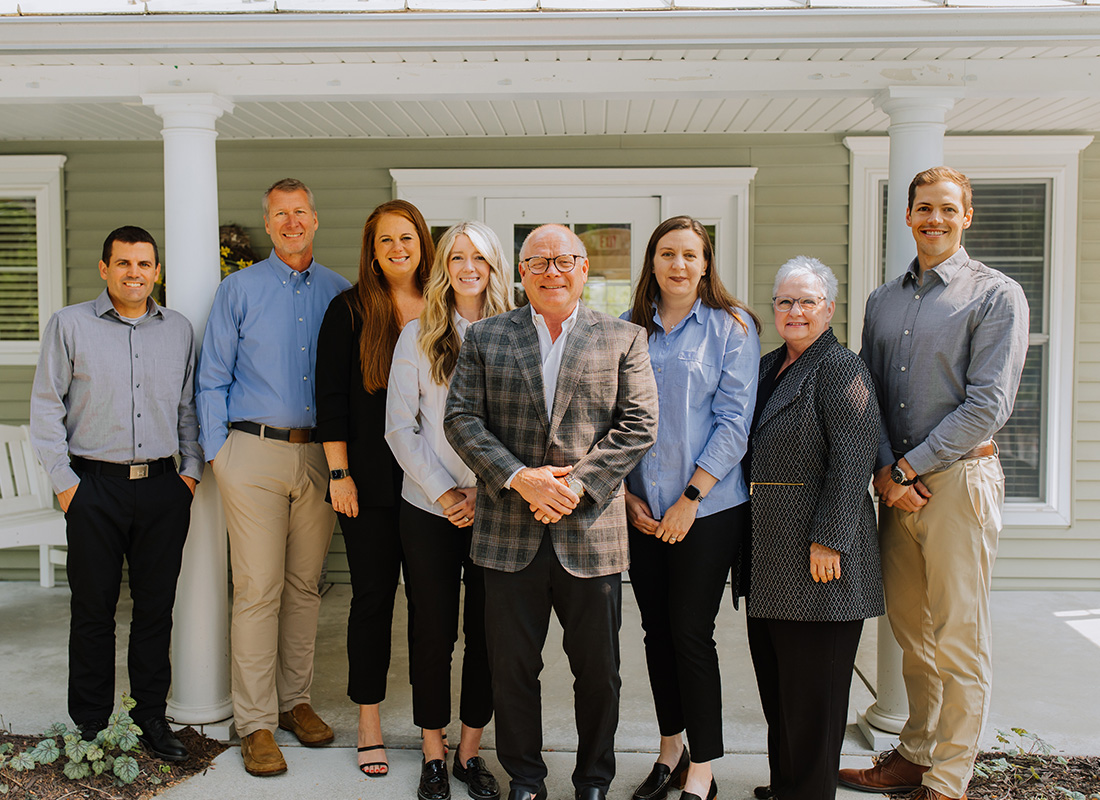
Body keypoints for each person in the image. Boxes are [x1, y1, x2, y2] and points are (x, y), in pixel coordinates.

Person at [444, 224, 658, 800]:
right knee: (512, 670)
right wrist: (521, 479)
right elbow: (461, 418)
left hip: (591, 535)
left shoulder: (624, 337)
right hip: (507, 534)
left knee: (599, 674)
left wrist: (574, 487)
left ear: (584, 268)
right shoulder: (486, 337)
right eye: (538, 262)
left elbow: (639, 424)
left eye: (563, 260)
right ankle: (527, 779)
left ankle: (593, 780)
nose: (551, 272)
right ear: (521, 272)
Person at [840, 167, 1029, 800]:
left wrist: (908, 468)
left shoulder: (996, 296)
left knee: (959, 639)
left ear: (966, 216)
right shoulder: (882, 300)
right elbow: (868, 393)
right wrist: (889, 469)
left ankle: (948, 781)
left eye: (947, 209)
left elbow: (988, 404)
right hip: (897, 488)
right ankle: (915, 756)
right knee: (911, 635)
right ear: (907, 216)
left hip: (958, 482)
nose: (935, 220)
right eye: (923, 209)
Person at [197, 178, 351, 777]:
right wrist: (219, 455)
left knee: (304, 587)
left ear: (315, 220)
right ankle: (256, 722)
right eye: (279, 214)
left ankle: (295, 703)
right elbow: (211, 377)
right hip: (252, 455)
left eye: (300, 213)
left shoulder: (342, 293)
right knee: (258, 588)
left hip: (321, 457)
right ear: (268, 223)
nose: (291, 222)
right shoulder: (239, 290)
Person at [29, 225, 200, 762]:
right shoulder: (69, 325)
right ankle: (90, 724)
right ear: (105, 268)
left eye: (144, 264)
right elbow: (45, 408)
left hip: (161, 489)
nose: (134, 273)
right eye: (123, 263)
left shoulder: (178, 330)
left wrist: (189, 474)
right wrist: (66, 485)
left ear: (156, 271)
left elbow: (188, 407)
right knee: (93, 610)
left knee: (155, 609)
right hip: (92, 490)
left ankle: (149, 714)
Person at [621, 217, 760, 800]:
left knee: (690, 633)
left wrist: (690, 498)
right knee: (655, 632)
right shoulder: (629, 330)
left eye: (690, 255)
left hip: (707, 509)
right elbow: (613, 420)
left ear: (706, 265)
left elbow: (734, 423)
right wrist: (624, 494)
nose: (678, 265)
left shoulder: (732, 327)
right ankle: (670, 749)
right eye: (667, 254)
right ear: (652, 263)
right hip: (641, 510)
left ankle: (702, 766)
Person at [747, 256, 884, 800]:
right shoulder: (768, 365)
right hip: (770, 557)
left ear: (829, 308)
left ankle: (810, 792)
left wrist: (829, 539)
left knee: (816, 697)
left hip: (819, 557)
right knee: (781, 691)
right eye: (785, 301)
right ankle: (788, 786)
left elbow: (853, 461)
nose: (795, 311)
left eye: (807, 301)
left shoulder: (842, 369)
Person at [385, 221, 513, 800]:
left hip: (496, 509)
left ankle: (468, 751)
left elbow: (522, 428)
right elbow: (399, 428)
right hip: (429, 507)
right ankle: (432, 751)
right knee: (432, 632)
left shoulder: (516, 335)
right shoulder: (416, 335)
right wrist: (443, 492)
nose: (468, 268)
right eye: (457, 257)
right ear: (444, 265)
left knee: (488, 633)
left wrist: (483, 492)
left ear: (494, 268)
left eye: (479, 259)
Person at [315, 199, 432, 778]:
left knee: (434, 610)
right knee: (372, 603)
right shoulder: (349, 310)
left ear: (422, 242)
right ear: (371, 248)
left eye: (406, 237)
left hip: (434, 486)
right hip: (369, 485)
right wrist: (339, 474)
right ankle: (369, 723)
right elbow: (331, 400)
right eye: (385, 240)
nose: (396, 249)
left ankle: (434, 730)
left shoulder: (441, 307)